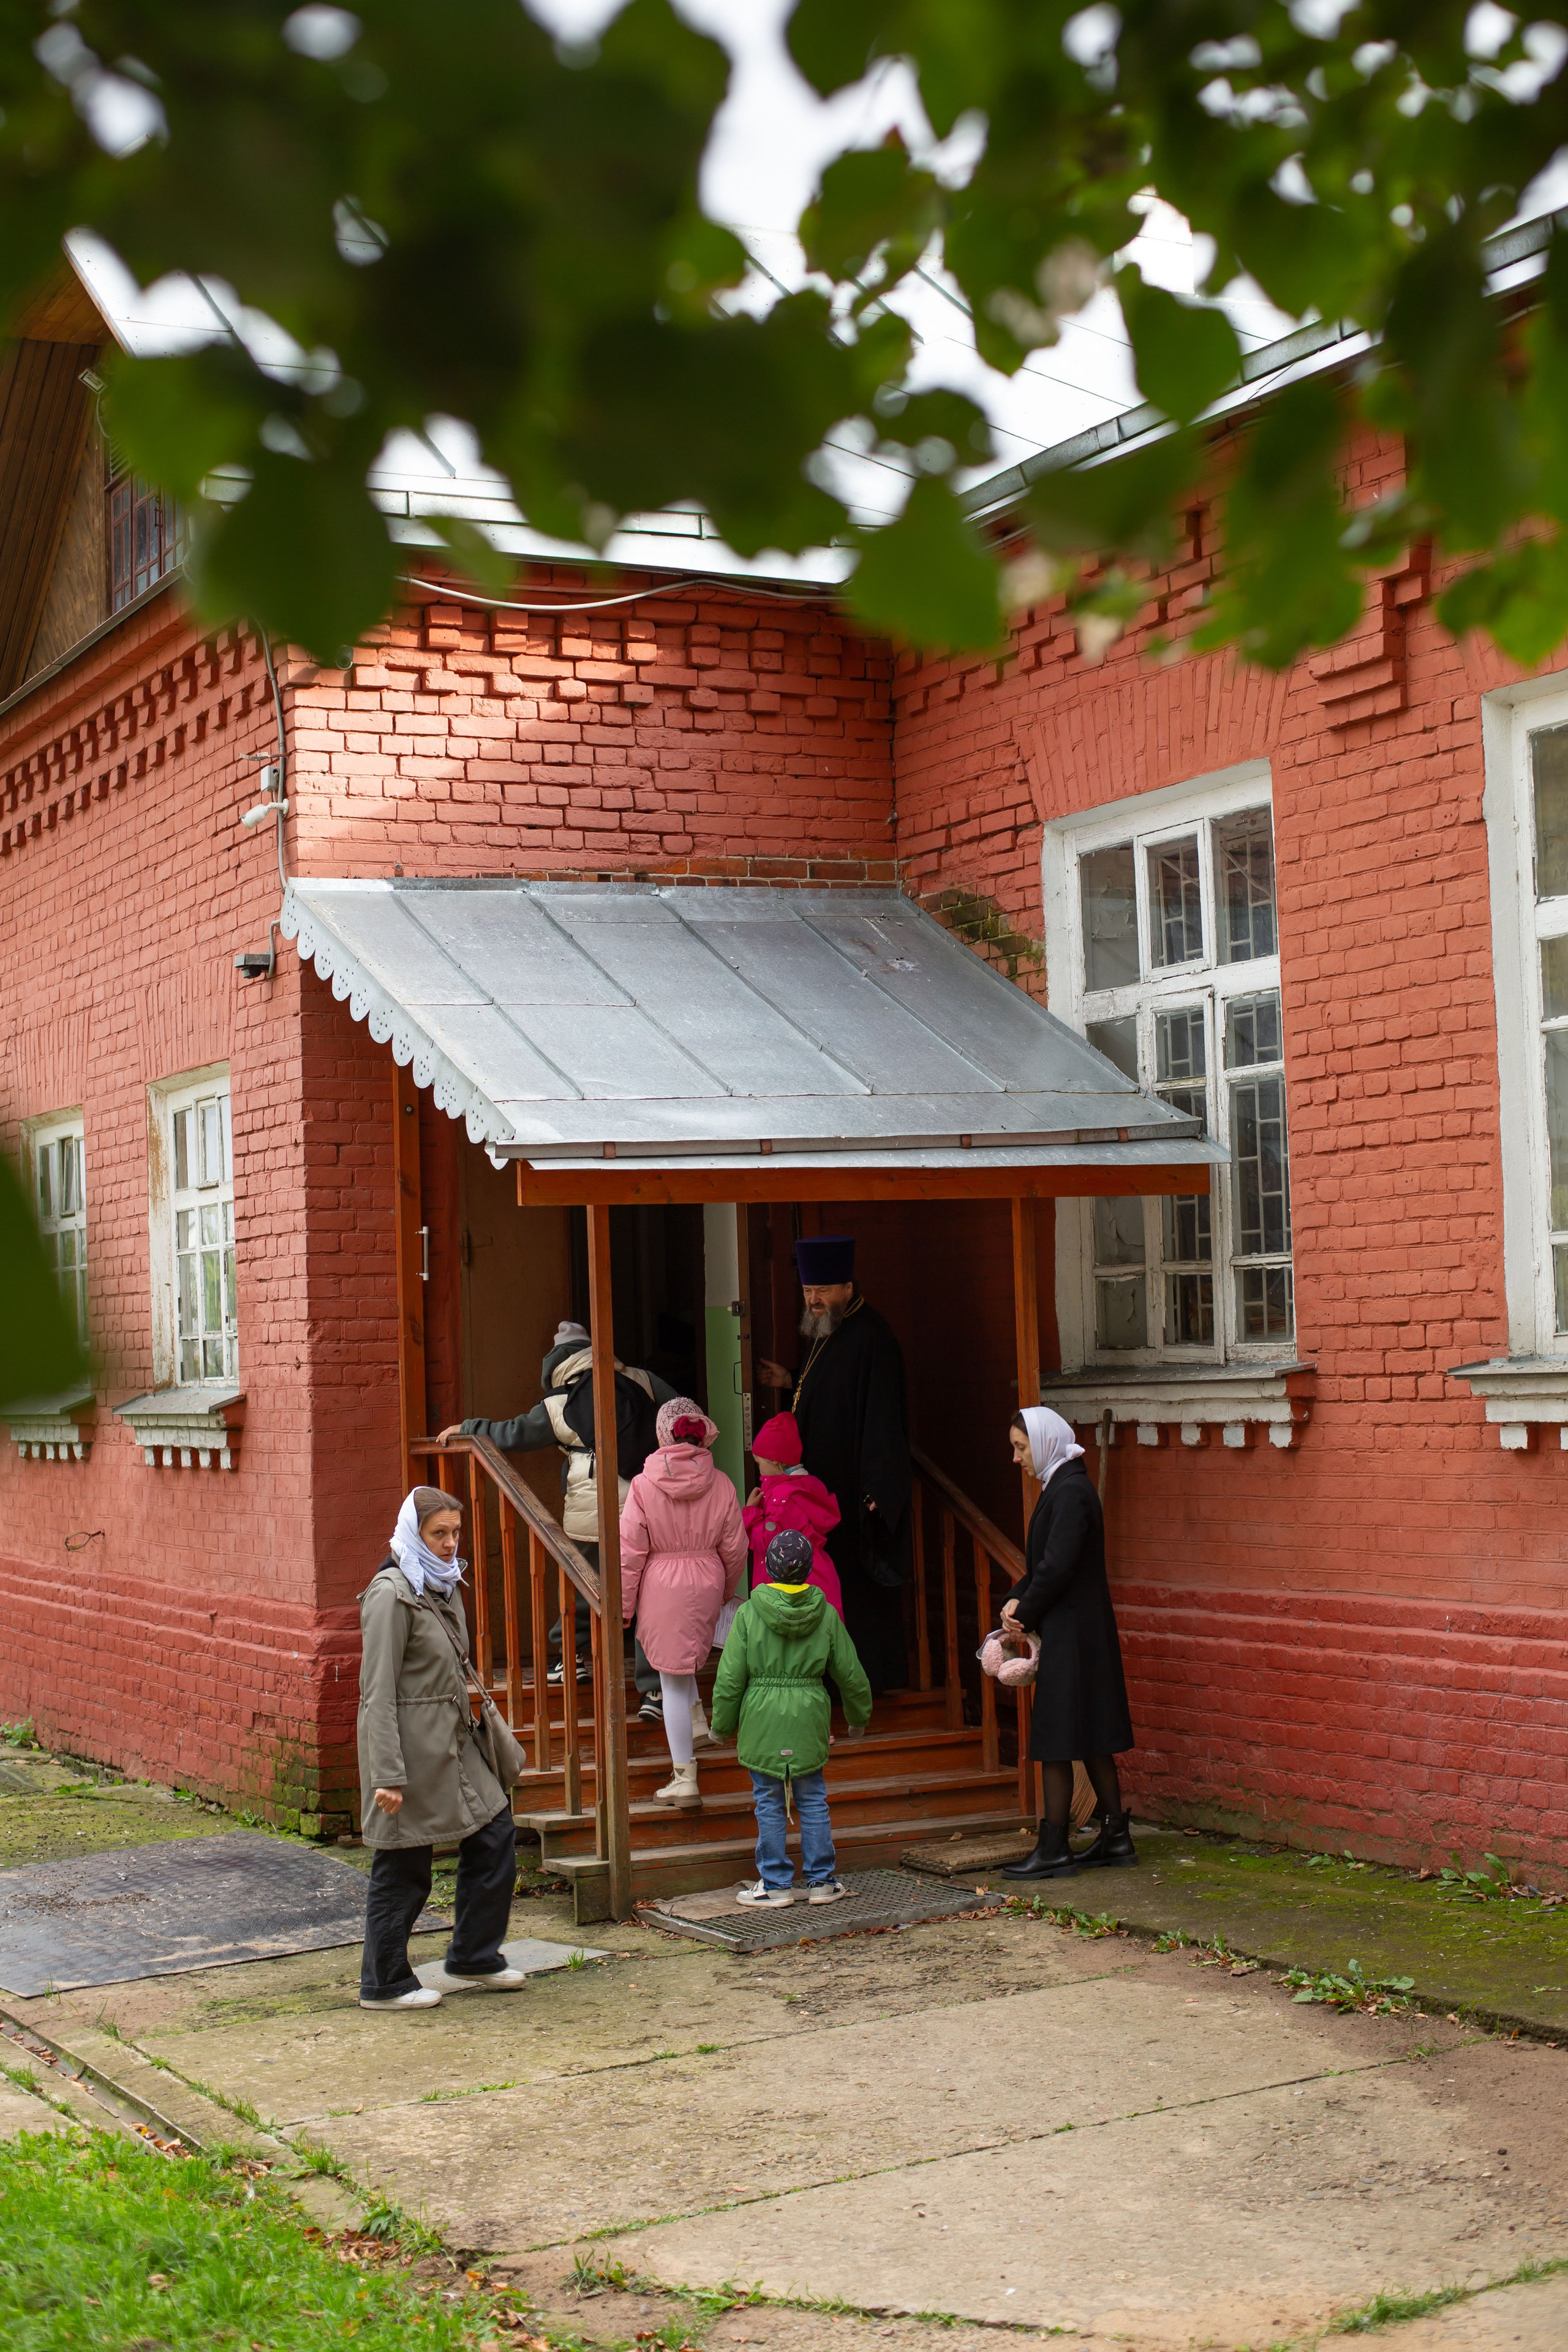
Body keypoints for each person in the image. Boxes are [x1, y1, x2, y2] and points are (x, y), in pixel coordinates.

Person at [440, 1318, 674, 1721]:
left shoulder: (559, 1404)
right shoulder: (646, 1382)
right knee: (649, 1598)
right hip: (652, 1504)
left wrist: (468, 1428)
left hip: (594, 1515)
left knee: (585, 1584)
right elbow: (683, 1419)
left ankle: (571, 1657)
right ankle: (654, 1692)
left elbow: (513, 1433)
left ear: (558, 1366)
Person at [356, 1487, 527, 2010]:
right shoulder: (391, 1593)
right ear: (415, 1532)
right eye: (440, 1533)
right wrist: (386, 1773)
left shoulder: (442, 1584)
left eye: (455, 1533)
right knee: (405, 1867)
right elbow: (377, 1691)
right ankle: (384, 1982)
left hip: (453, 1744)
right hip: (410, 1754)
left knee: (496, 1833)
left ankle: (474, 1955)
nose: (452, 1544)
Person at [755, 1234, 911, 1694]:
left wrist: (875, 1494)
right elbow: (822, 1397)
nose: (814, 1301)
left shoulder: (872, 1338)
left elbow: (882, 1419)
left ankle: (868, 1685)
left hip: (852, 1496)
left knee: (858, 1596)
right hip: (821, 1495)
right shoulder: (827, 1332)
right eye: (807, 1293)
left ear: (847, 1286)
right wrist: (790, 1382)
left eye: (822, 1292)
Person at [998, 1408, 1137, 1882]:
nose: (1017, 1458)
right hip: (1078, 1630)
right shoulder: (1063, 1485)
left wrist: (1027, 1611)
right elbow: (1044, 1565)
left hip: (1074, 1634)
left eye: (1021, 1447)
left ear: (1044, 1441)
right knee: (1092, 1733)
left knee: (1056, 1738)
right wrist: (1018, 1599)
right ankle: (1116, 1836)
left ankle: (1055, 1844)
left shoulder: (1071, 1491)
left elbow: (1057, 1568)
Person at [710, 1526, 874, 1909]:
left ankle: (776, 1884)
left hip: (762, 1719)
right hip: (808, 1715)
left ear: (767, 1567)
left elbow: (730, 1678)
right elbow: (851, 1673)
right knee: (814, 1798)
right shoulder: (827, 1614)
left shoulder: (749, 1613)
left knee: (768, 1801)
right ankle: (821, 1882)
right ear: (808, 1569)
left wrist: (721, 1726)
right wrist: (857, 1717)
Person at [619, 1398, 749, 1809]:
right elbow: (736, 1547)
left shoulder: (643, 1484)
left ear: (663, 1433)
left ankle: (684, 1778)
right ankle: (696, 1721)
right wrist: (726, 1589)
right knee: (688, 1655)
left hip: (662, 1581)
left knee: (670, 1678)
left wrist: (623, 1607)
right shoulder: (724, 1482)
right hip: (708, 1577)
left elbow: (630, 1552)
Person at [743, 1408, 843, 1618]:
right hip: (815, 1584)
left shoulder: (783, 1499)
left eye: (759, 1463)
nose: (759, 1470)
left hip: (789, 1594)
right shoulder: (808, 1487)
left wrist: (751, 1513)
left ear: (776, 1463)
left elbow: (768, 1543)